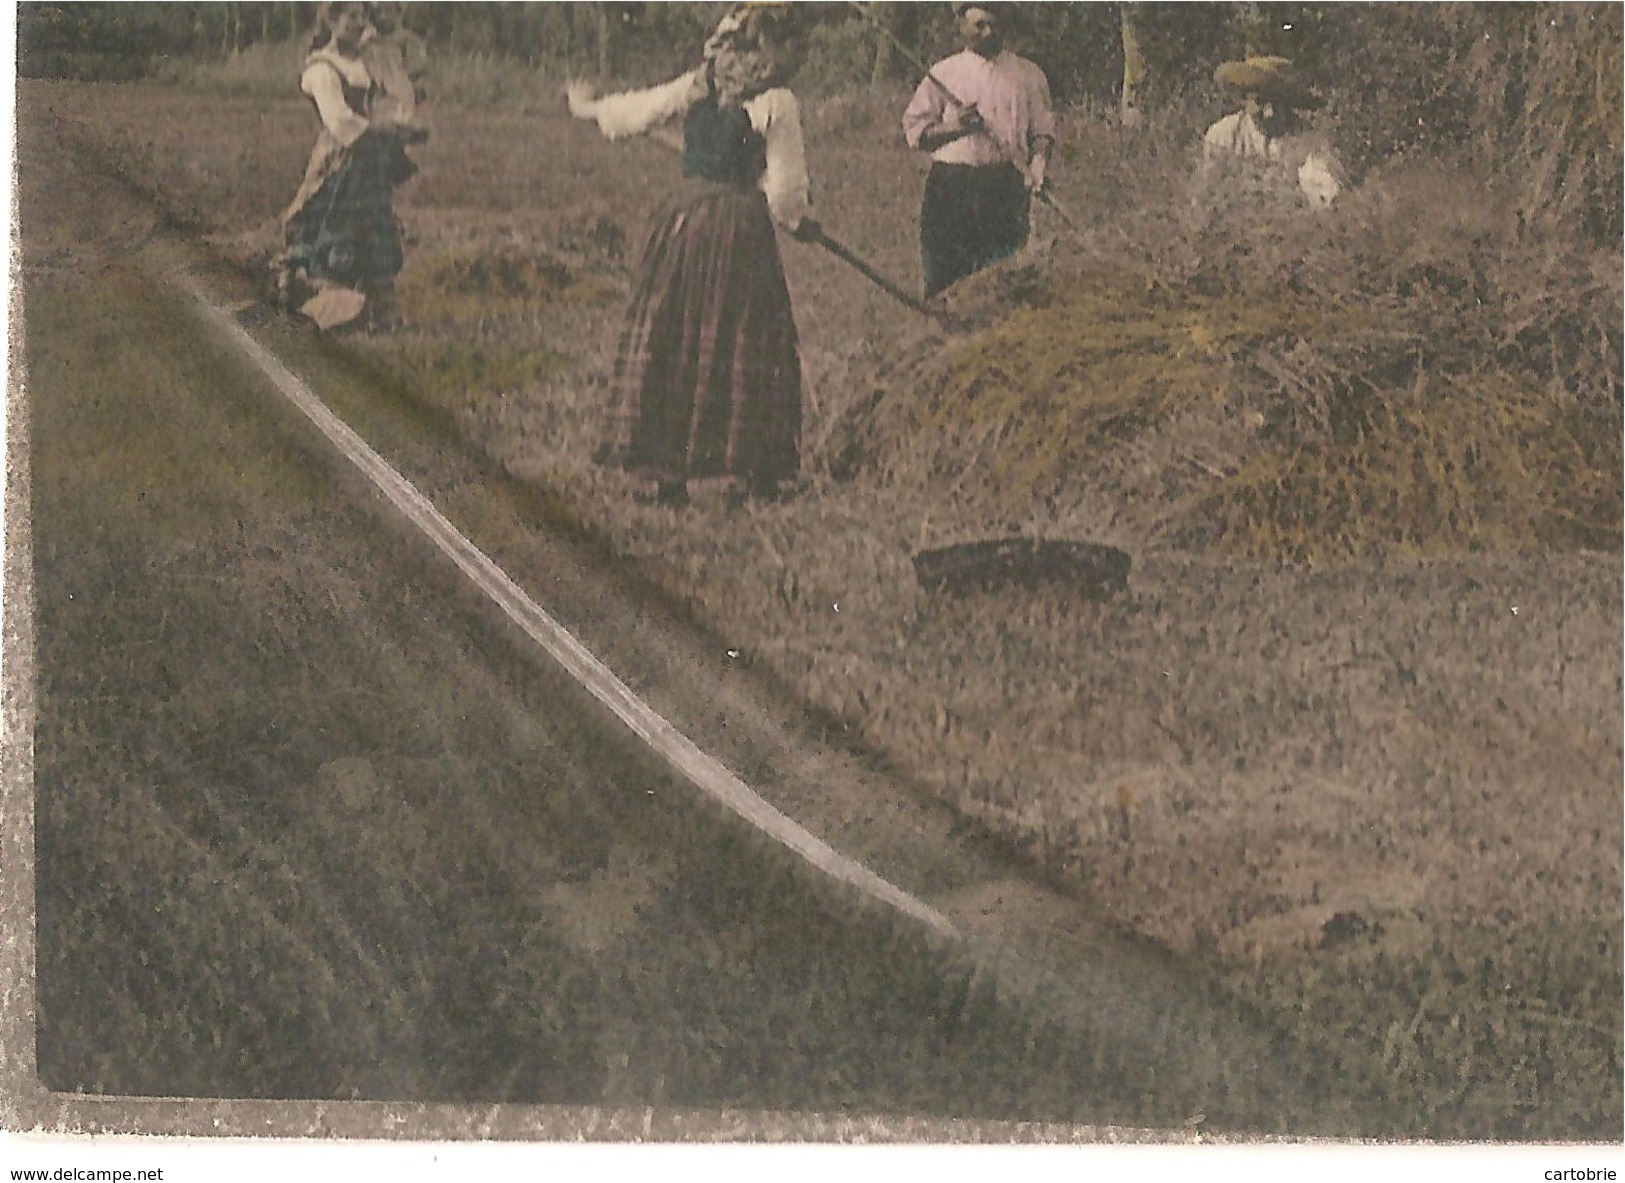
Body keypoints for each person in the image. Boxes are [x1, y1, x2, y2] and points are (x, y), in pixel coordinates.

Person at [567, 3, 819, 508]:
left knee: (676, 334)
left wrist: (590, 108)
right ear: (780, 49)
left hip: (683, 220)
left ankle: (667, 475)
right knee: (743, 338)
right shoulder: (778, 101)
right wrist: (798, 222)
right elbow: (787, 189)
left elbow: (636, 112)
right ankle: (748, 472)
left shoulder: (699, 83)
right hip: (737, 229)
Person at [275, 1, 427, 332]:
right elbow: (340, 121)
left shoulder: (362, 61)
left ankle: (376, 305)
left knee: (375, 226)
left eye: (362, 16)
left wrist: (403, 121)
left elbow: (387, 97)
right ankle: (318, 295)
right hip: (339, 162)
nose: (360, 24)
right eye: (351, 17)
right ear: (332, 19)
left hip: (368, 161)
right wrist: (387, 129)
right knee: (335, 228)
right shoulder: (321, 68)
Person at [901, 3, 1056, 299]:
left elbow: (1043, 132)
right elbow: (917, 133)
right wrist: (958, 127)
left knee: (1004, 282)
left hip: (1005, 185)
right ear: (962, 24)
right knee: (946, 282)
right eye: (980, 24)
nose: (988, 32)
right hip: (951, 186)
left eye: (994, 24)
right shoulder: (943, 73)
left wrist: (1038, 165)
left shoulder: (1027, 75)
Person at [1199, 56, 1343, 210]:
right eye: (1260, 102)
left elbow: (1327, 198)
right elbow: (1208, 196)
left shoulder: (1307, 139)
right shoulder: (1222, 137)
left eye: (1277, 102)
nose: (1270, 112)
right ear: (1244, 99)